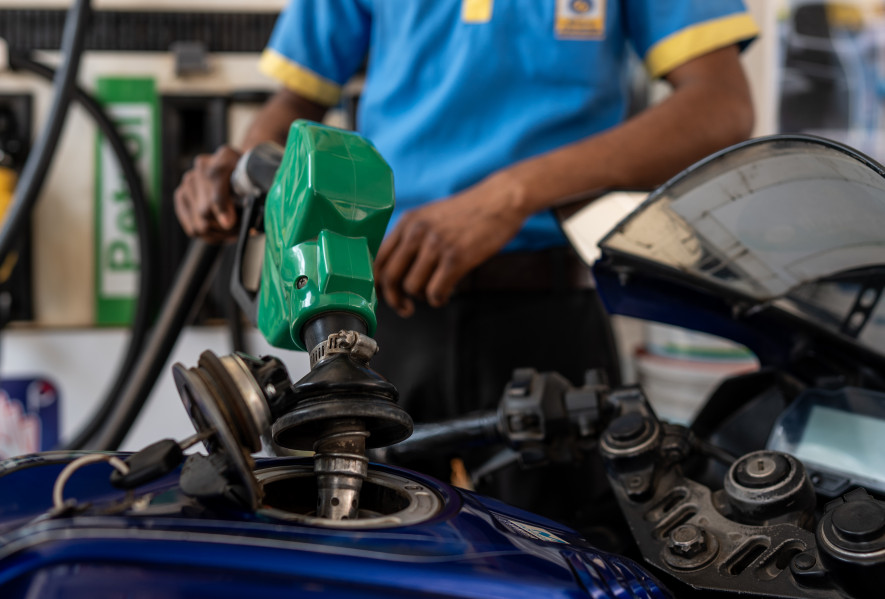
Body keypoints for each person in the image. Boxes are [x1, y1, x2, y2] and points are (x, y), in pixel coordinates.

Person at [175, 0, 758, 527]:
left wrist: (511, 194)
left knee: (567, 558)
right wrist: (246, 169)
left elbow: (720, 105)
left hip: (549, 318)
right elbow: (294, 102)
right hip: (380, 319)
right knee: (361, 545)